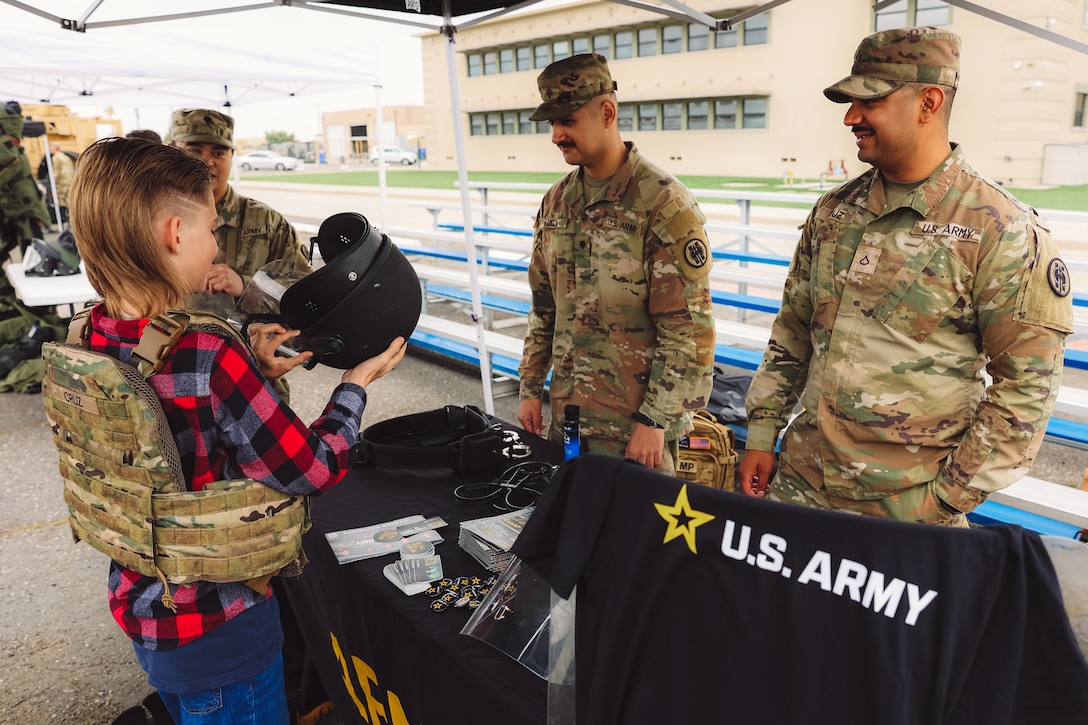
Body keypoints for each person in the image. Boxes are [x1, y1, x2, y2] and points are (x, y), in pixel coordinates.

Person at [65, 136, 406, 724]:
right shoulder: (203, 351)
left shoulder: (86, 335)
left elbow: (174, 420)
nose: (218, 243)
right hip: (220, 629)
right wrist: (356, 385)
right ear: (176, 233)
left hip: (143, 608)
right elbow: (313, 468)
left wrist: (251, 365)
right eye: (211, 229)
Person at [737, 27, 1074, 526]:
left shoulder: (998, 228)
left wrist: (943, 500)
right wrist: (762, 435)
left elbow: (1026, 389)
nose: (851, 117)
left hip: (907, 511)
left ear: (929, 103)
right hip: (800, 487)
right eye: (850, 102)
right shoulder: (834, 211)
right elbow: (792, 334)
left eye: (868, 101)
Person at [516, 53, 716, 475]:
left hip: (634, 432)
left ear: (606, 112)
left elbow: (687, 330)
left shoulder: (661, 202)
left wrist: (654, 420)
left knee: (636, 538)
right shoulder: (556, 201)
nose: (556, 135)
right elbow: (544, 308)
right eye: (551, 123)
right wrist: (530, 388)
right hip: (568, 421)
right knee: (571, 527)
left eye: (566, 120)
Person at [168, 108, 310, 311]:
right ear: (172, 150)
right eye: (194, 151)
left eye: (218, 153)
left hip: (247, 341)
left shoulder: (267, 222)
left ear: (232, 155)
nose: (207, 162)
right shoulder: (154, 221)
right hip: (173, 341)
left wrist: (246, 287)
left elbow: (305, 293)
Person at [49, 143, 75, 227]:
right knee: (69, 200)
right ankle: (72, 218)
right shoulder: (66, 157)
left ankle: (66, 220)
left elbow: (56, 172)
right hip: (70, 181)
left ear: (53, 149)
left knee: (61, 201)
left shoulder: (56, 158)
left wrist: (53, 182)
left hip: (61, 182)